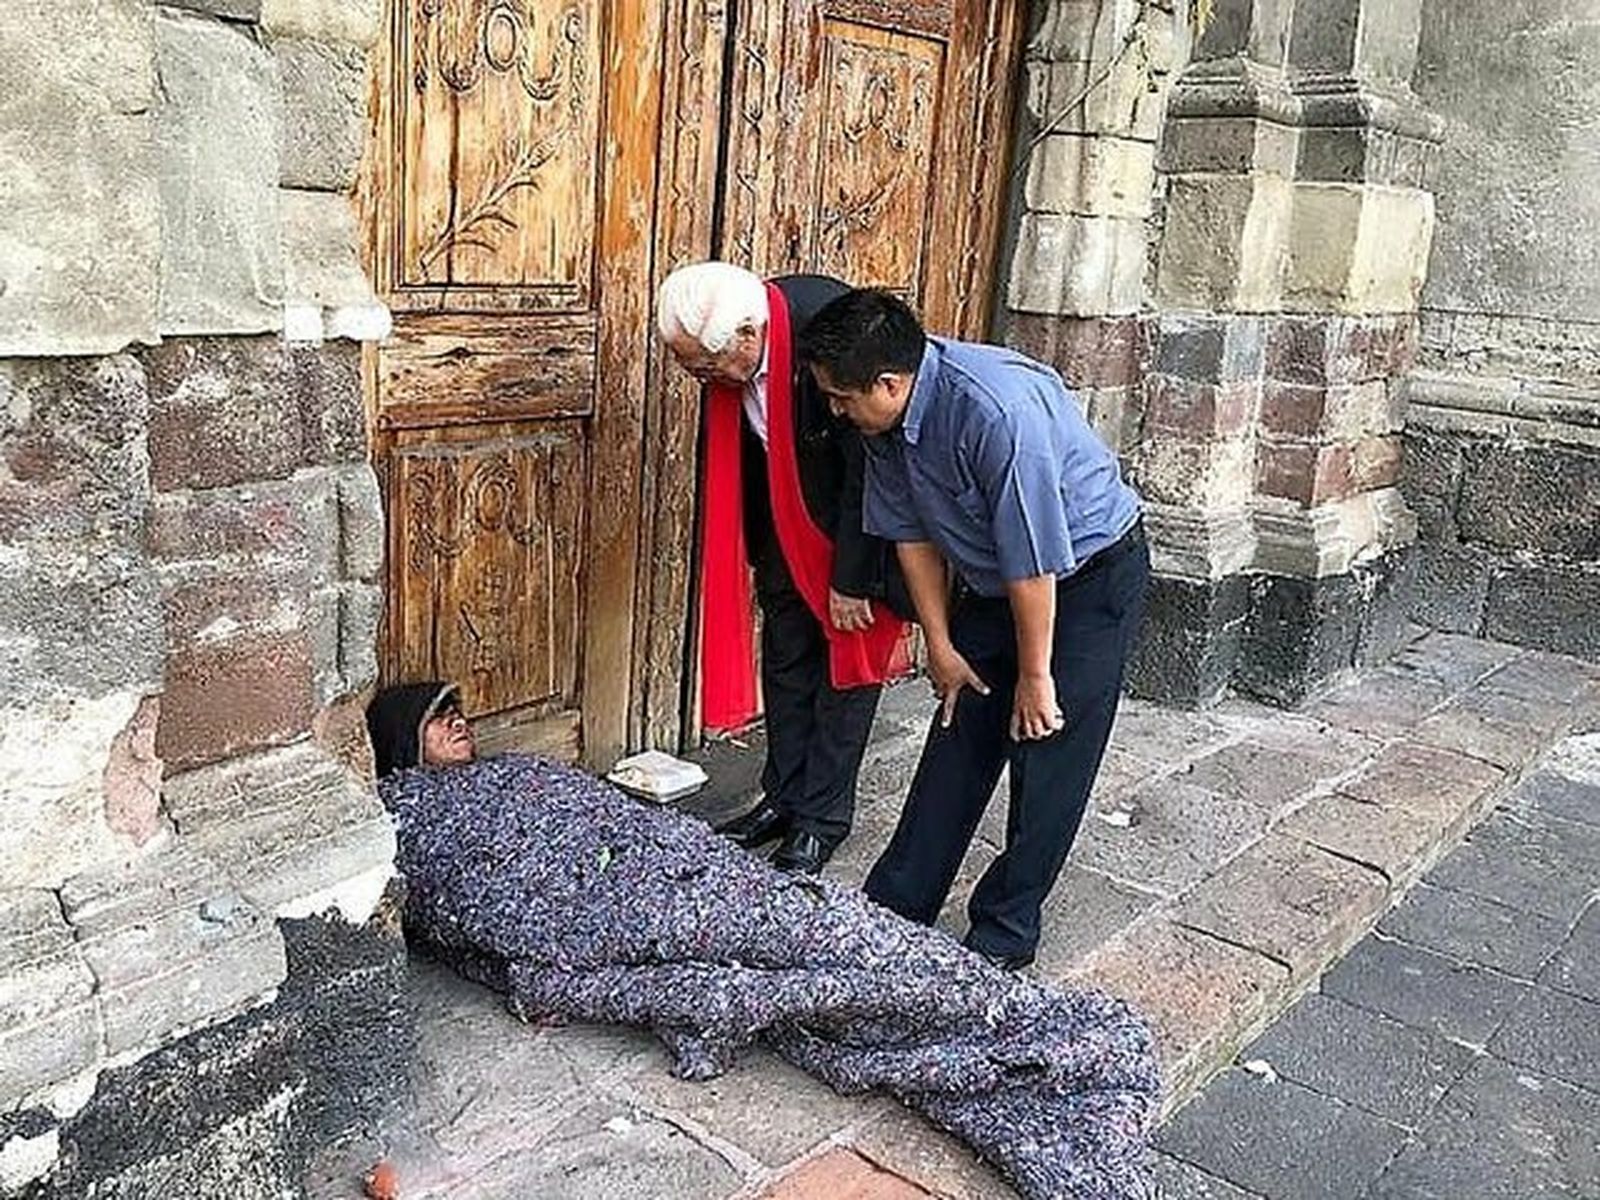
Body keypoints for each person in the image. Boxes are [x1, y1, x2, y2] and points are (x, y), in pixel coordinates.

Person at [362, 682, 1160, 1200]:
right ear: (403, 747)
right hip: (629, 910)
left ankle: (1005, 1014)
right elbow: (472, 907)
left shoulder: (517, 774)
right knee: (812, 962)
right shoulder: (416, 816)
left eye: (460, 710)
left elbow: (609, 818)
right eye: (437, 721)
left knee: (835, 930)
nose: (459, 722)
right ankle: (1008, 1031)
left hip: (685, 871)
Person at [798, 290, 1150, 971]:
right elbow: (911, 536)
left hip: (1084, 577)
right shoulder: (882, 425)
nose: (834, 411)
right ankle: (898, 905)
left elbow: (1034, 561)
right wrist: (941, 645)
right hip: (995, 580)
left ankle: (1004, 932)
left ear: (890, 383)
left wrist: (1035, 675)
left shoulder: (995, 413)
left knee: (1046, 748)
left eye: (842, 398)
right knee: (959, 733)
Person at [657, 263, 910, 873]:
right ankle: (784, 797)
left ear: (746, 336)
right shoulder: (735, 339)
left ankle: (822, 820)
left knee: (844, 676)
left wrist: (853, 576)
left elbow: (872, 468)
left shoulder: (827, 328)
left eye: (704, 366)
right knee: (788, 660)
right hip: (784, 527)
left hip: (850, 534)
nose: (700, 379)